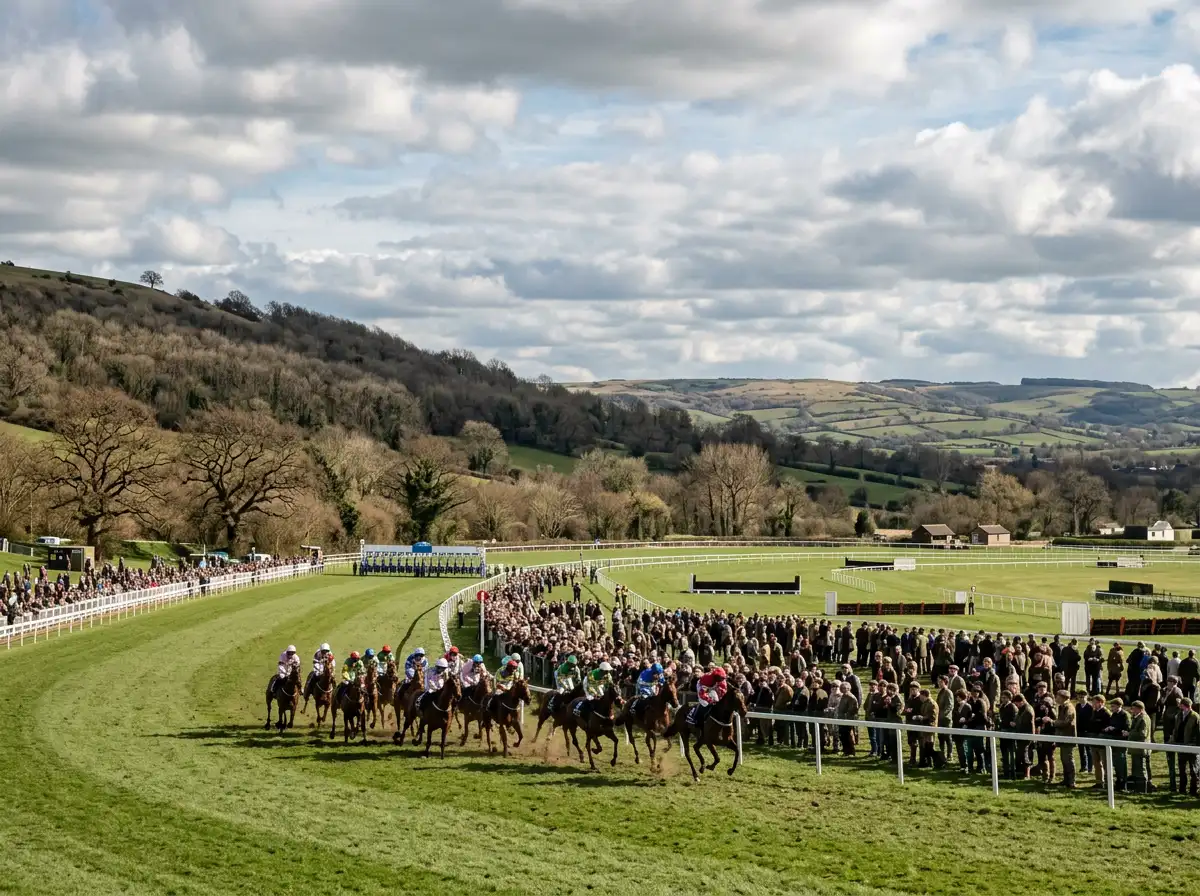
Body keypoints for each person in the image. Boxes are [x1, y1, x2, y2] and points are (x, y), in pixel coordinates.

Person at [1052, 689, 1077, 788]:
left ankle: (1071, 781)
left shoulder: (1069, 707)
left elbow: (1067, 722)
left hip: (1068, 737)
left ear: (1063, 697)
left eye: (1057, 696)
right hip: (1062, 736)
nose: (1056, 698)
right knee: (1064, 759)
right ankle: (1066, 780)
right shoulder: (1061, 707)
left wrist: (1053, 722)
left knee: (1068, 759)